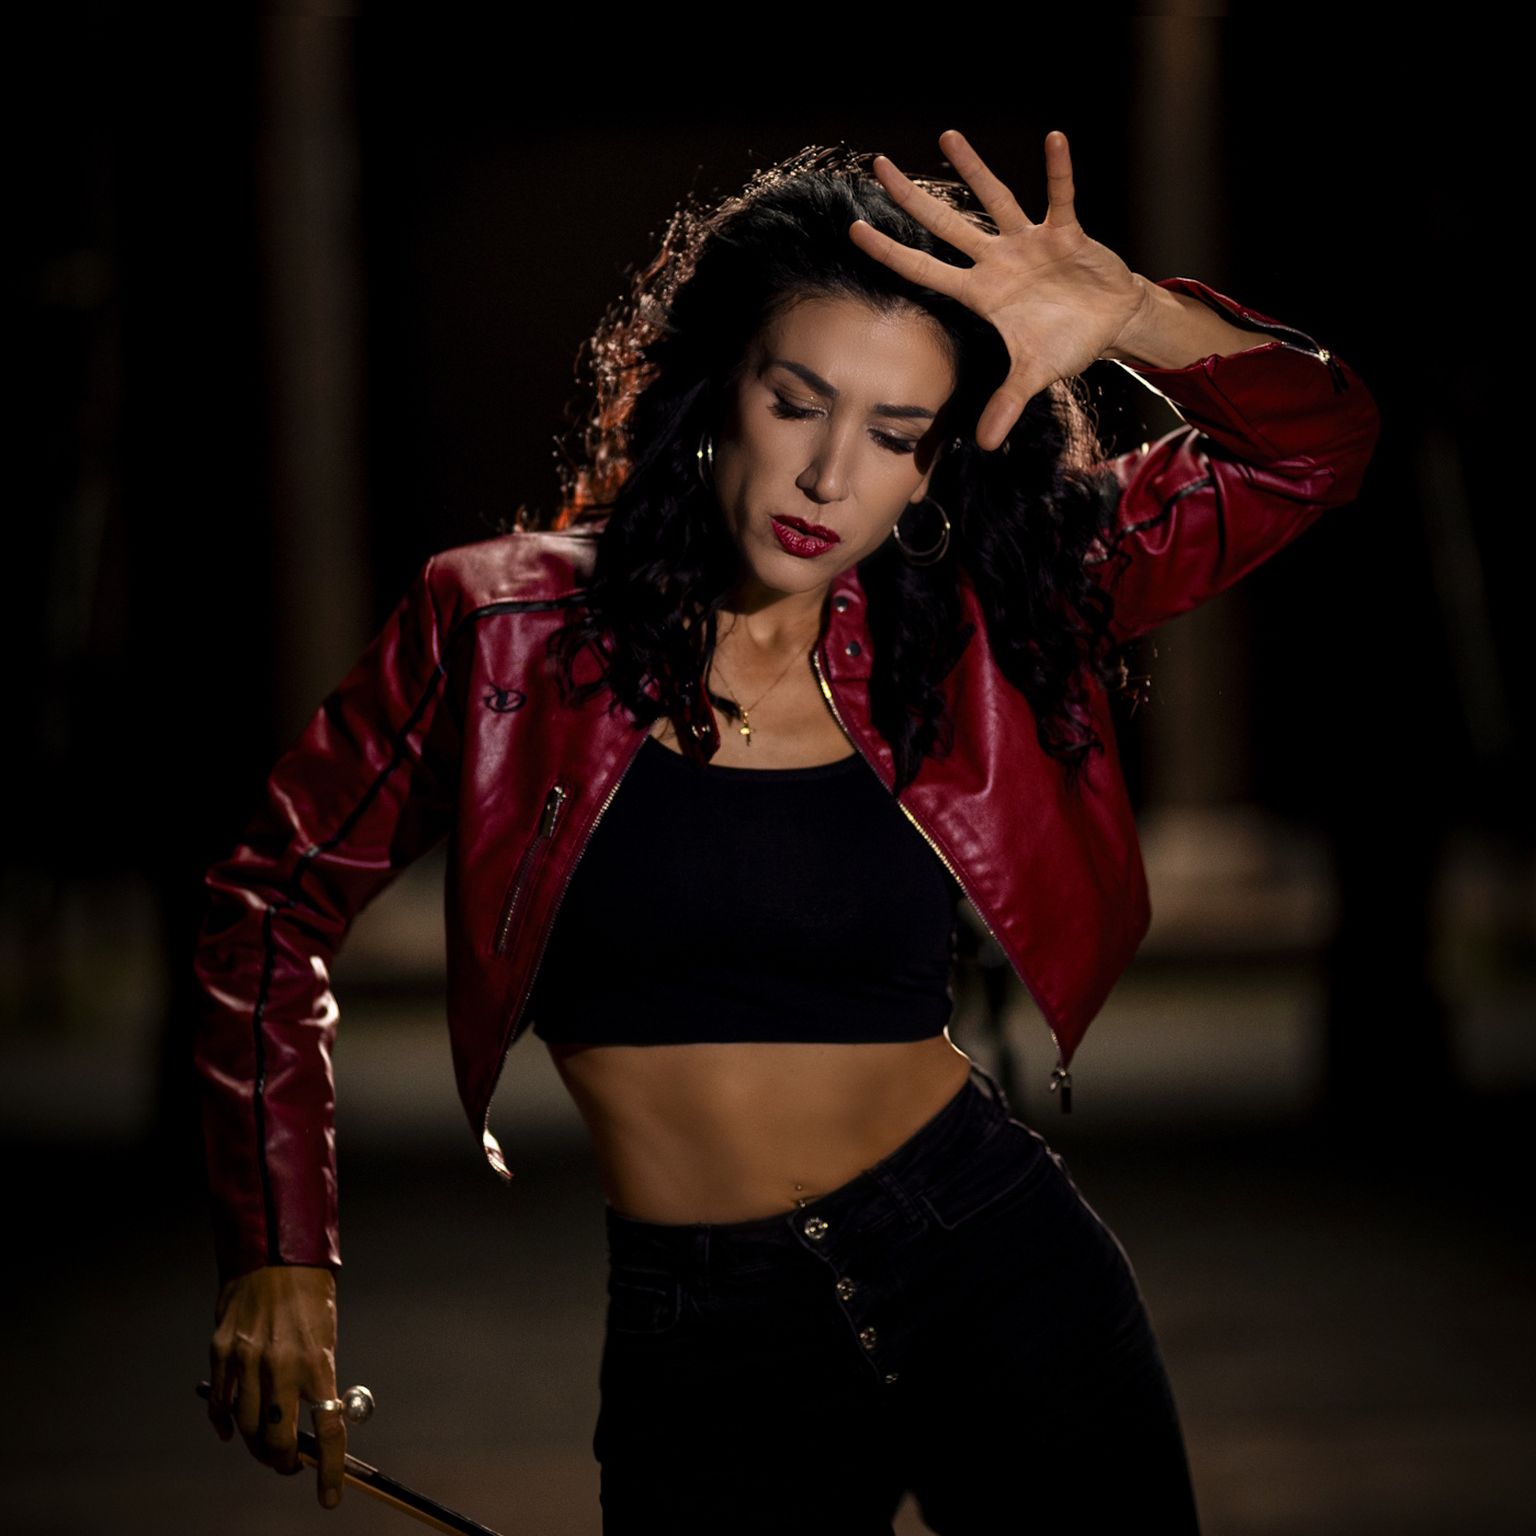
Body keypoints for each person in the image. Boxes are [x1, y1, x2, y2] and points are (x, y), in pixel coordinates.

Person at [196, 127, 1380, 1532]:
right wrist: (283, 1257)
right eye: (798, 401)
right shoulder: (502, 631)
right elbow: (269, 903)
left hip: (989, 1257)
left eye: (894, 435)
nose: (829, 476)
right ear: (719, 393)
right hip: (708, 1332)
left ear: (933, 468)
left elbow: (1315, 448)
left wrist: (1134, 316)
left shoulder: (992, 611)